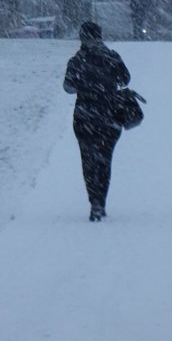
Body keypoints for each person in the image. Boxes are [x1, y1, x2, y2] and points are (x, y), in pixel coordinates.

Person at [63, 19, 130, 221]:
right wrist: (107, 83)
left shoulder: (76, 61)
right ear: (100, 36)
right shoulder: (112, 57)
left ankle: (94, 202)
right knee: (104, 161)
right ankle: (101, 202)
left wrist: (85, 86)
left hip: (84, 117)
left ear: (82, 38)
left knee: (88, 162)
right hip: (110, 116)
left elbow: (68, 87)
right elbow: (125, 79)